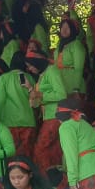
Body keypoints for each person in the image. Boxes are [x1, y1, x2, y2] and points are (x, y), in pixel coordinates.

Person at [24, 46, 67, 176]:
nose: (29, 69)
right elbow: (40, 97)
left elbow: (62, 94)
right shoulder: (42, 75)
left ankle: (44, 177)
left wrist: (41, 95)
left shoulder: (52, 71)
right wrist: (31, 90)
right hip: (47, 116)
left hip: (55, 116)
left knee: (40, 149)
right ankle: (55, 178)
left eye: (30, 65)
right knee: (53, 150)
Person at [53, 17, 87, 98]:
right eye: (62, 27)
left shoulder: (76, 44)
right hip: (60, 85)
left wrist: (76, 89)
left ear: (73, 30)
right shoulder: (59, 46)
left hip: (73, 85)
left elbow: (79, 68)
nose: (64, 30)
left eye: (67, 28)